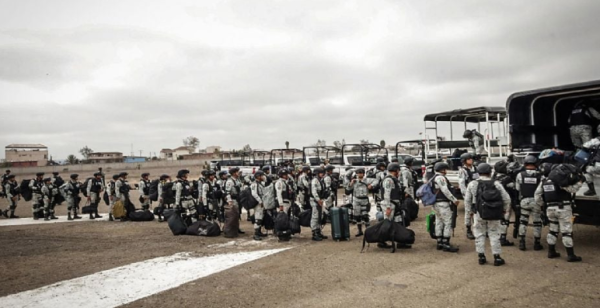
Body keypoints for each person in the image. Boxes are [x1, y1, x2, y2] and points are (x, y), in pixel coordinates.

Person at [464, 163, 511, 266]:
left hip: (478, 213)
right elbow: (507, 199)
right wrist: (504, 210)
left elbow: (467, 201)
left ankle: (481, 257)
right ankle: (497, 257)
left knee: (479, 234)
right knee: (494, 234)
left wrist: (469, 214)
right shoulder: (496, 183)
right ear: (490, 172)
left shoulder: (472, 184)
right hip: (494, 213)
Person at [534, 166, 584, 262]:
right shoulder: (561, 181)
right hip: (563, 208)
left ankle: (551, 251)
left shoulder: (544, 181)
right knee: (566, 231)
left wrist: (543, 205)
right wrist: (580, 182)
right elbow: (572, 190)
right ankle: (570, 255)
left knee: (553, 230)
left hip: (550, 208)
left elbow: (537, 195)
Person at [515, 155, 543, 251]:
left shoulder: (520, 175)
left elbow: (518, 189)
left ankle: (522, 242)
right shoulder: (540, 175)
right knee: (537, 223)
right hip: (536, 201)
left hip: (524, 201)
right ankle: (537, 243)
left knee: (523, 221)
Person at [431, 162, 460, 252]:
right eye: (445, 169)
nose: (446, 171)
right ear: (442, 169)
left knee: (439, 221)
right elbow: (445, 190)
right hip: (443, 203)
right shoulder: (440, 178)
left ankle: (439, 242)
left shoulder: (433, 177)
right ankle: (446, 243)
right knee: (448, 222)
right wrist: (454, 199)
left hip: (436, 203)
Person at [492, 161, 516, 246]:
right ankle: (502, 238)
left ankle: (494, 235)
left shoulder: (493, 178)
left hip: (495, 202)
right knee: (505, 220)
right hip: (505, 202)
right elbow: (514, 190)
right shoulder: (507, 179)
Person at [458, 153, 479, 240]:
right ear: (464, 161)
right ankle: (468, 230)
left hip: (477, 193)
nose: (471, 160)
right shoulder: (463, 171)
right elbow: (462, 183)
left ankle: (479, 229)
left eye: (471, 158)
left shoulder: (476, 168)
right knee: (469, 212)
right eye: (469, 159)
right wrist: (466, 194)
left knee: (478, 211)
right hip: (469, 194)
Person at [348, 168, 373, 237]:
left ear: (363, 174)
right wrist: (351, 183)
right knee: (357, 216)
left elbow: (376, 181)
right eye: (358, 173)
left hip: (364, 200)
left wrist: (371, 185)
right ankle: (360, 231)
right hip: (356, 199)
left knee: (365, 216)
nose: (359, 174)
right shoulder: (354, 181)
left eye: (361, 173)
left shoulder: (367, 180)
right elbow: (348, 189)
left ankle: (368, 231)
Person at [310, 168, 328, 241]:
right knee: (315, 216)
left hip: (320, 200)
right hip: (315, 200)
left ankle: (318, 231)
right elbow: (314, 191)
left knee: (320, 216)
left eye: (323, 173)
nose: (322, 174)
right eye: (321, 173)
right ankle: (314, 233)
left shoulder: (321, 180)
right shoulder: (315, 180)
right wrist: (318, 199)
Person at [225, 167, 244, 234]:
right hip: (233, 200)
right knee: (234, 215)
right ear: (233, 173)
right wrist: (229, 201)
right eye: (237, 172)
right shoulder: (230, 181)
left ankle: (237, 227)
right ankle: (232, 228)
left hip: (238, 199)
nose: (238, 173)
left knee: (238, 214)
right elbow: (227, 192)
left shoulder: (237, 180)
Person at [250, 171, 267, 240]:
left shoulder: (260, 183)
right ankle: (256, 234)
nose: (263, 177)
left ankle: (259, 231)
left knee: (261, 217)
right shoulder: (254, 184)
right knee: (258, 218)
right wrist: (260, 201)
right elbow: (254, 193)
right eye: (262, 175)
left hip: (262, 202)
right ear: (258, 176)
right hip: (258, 203)